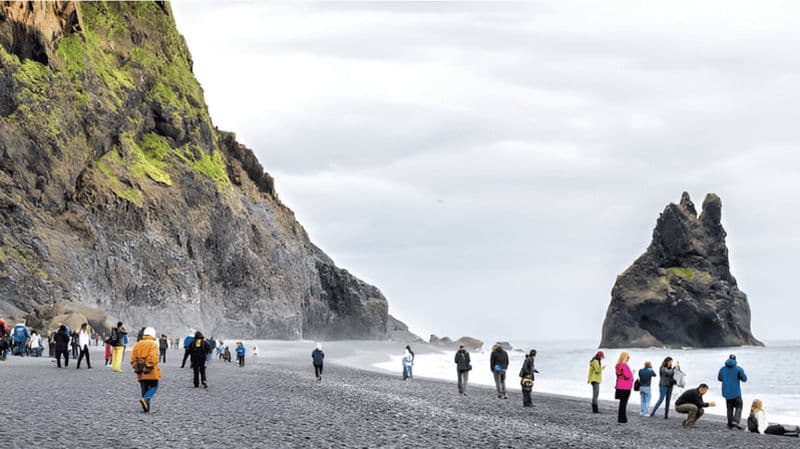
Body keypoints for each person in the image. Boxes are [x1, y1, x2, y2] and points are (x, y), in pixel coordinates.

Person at [130, 327, 160, 413]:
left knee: (144, 388)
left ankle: (146, 408)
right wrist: (147, 365)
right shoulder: (153, 344)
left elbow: (133, 358)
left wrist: (136, 366)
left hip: (140, 370)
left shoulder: (138, 344)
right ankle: (146, 400)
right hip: (151, 370)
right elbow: (153, 357)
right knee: (154, 386)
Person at [718, 354, 748, 430]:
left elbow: (719, 378)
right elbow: (744, 379)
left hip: (726, 392)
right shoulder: (738, 369)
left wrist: (726, 380)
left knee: (729, 408)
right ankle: (736, 422)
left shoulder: (722, 369)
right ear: (735, 360)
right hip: (736, 392)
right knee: (739, 407)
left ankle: (729, 424)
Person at [615, 352, 633, 423]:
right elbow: (628, 376)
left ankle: (621, 418)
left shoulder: (617, 366)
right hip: (626, 387)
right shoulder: (625, 366)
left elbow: (620, 375)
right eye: (628, 357)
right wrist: (632, 374)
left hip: (619, 386)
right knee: (624, 403)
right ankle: (622, 419)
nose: (628, 359)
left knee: (622, 403)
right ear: (625, 358)